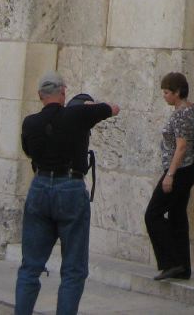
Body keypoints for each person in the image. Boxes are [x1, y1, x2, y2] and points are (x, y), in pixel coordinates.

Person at [15, 72, 119, 315]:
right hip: (71, 187)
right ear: (63, 93)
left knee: (30, 267)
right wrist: (91, 108)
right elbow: (113, 108)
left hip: (40, 186)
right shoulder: (78, 114)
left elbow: (29, 151)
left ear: (40, 95)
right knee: (73, 269)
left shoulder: (30, 123)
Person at [144, 71, 194, 282]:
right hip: (187, 169)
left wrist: (170, 175)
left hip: (179, 170)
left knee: (153, 214)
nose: (164, 96)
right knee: (177, 216)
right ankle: (183, 267)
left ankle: (171, 262)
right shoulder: (192, 109)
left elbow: (181, 146)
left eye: (167, 92)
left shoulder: (181, 114)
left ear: (177, 92)